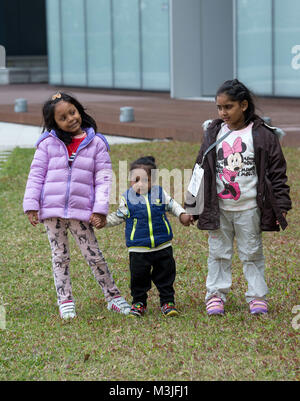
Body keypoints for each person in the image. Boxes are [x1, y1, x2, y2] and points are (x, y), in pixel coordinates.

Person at [23, 92, 131, 319]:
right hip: (51, 211)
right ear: (55, 123)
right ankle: (65, 300)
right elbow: (35, 176)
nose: (71, 118)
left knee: (94, 255)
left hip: (81, 212)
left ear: (79, 110)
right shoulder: (47, 144)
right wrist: (31, 205)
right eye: (63, 117)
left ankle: (113, 297)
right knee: (59, 256)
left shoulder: (97, 143)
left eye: (72, 112)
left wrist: (100, 210)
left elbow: (103, 179)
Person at [190, 79, 292, 316]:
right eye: (219, 107)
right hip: (220, 208)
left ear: (244, 105)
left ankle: (257, 297)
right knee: (218, 253)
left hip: (249, 209)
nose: (223, 112)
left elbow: (278, 173)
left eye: (228, 107)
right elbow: (200, 169)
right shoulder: (213, 132)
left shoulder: (264, 136)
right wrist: (192, 205)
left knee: (252, 253)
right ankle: (215, 295)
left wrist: (282, 205)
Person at [103, 156, 192, 317]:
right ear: (130, 180)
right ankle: (138, 303)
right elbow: (118, 216)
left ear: (154, 180)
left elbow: (173, 205)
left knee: (165, 275)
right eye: (136, 180)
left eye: (146, 180)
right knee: (138, 278)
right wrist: (103, 222)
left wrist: (182, 215)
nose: (140, 184)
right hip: (138, 248)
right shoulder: (127, 198)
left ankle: (167, 302)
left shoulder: (159, 193)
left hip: (162, 245)